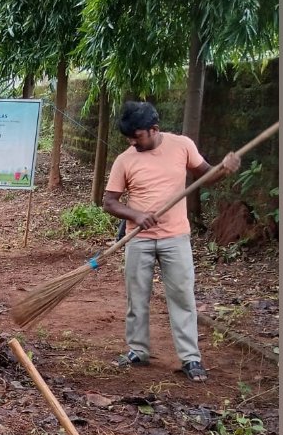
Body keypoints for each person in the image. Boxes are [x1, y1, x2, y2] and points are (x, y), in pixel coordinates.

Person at [102, 101, 240, 383]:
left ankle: (190, 358)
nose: (132, 142)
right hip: (138, 239)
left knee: (182, 297)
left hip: (175, 237)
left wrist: (224, 169)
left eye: (136, 136)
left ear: (154, 129)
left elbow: (207, 176)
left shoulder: (182, 145)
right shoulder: (125, 160)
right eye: (128, 138)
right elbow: (109, 202)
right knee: (136, 298)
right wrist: (136, 215)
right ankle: (138, 351)